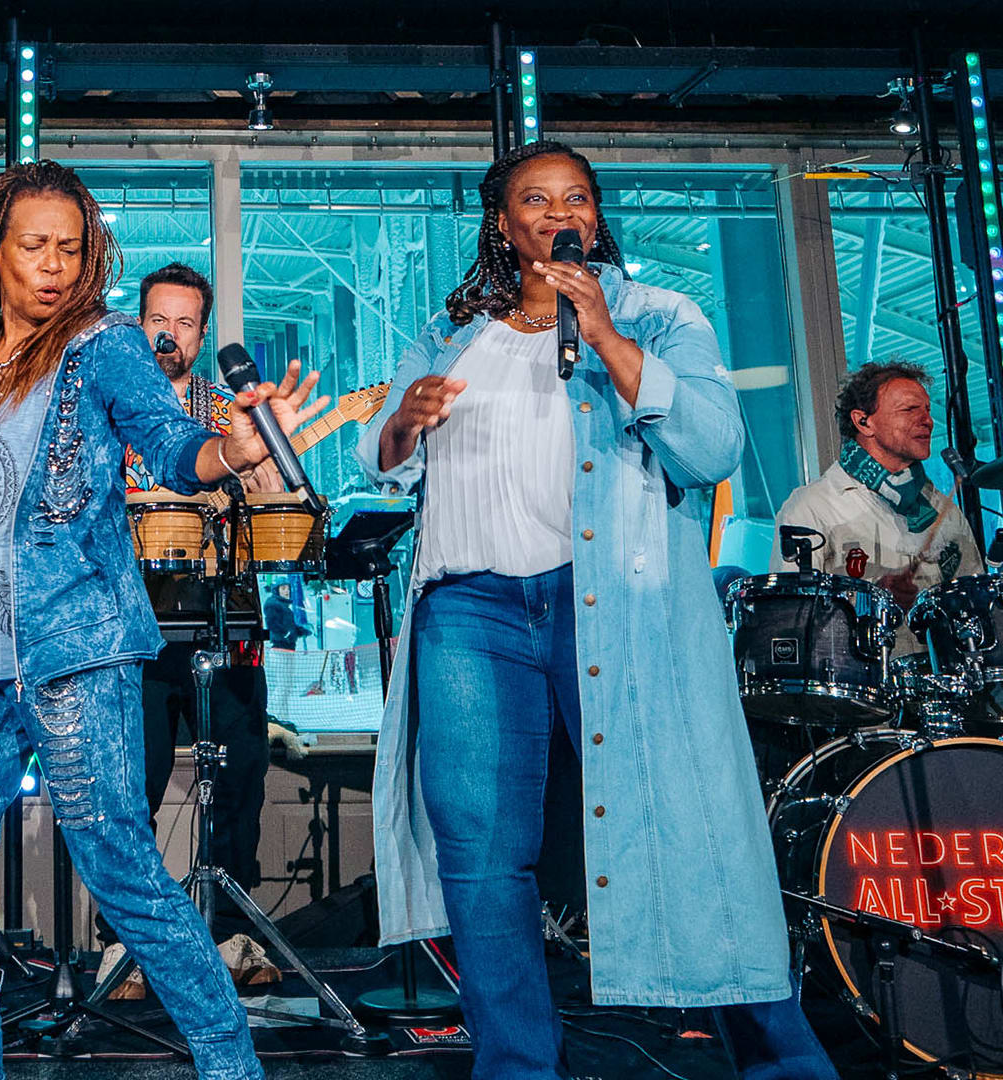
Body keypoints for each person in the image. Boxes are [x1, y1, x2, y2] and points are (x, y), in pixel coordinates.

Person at [0, 160, 325, 1080]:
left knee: (121, 871)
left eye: (70, 249)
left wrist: (229, 451)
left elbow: (171, 445)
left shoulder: (104, 346)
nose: (53, 265)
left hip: (76, 654)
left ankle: (229, 1063)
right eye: (34, 246)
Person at [357, 140, 837, 1080]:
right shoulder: (449, 332)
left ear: (594, 214)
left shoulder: (658, 315)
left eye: (575, 196)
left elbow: (713, 447)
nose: (557, 212)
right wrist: (404, 420)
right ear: (504, 224)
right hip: (470, 608)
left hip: (610, 604)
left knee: (685, 821)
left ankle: (781, 1060)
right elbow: (381, 458)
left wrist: (609, 337)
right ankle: (516, 1064)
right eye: (535, 199)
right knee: (480, 851)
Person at [99, 262, 279, 998]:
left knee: (239, 780)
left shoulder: (226, 409)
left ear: (202, 336)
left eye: (184, 322)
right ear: (137, 325)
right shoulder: (106, 408)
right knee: (128, 790)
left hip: (222, 621)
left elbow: (273, 500)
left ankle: (230, 935)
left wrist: (259, 471)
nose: (168, 333)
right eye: (157, 320)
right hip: (129, 631)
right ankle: (125, 945)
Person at [773, 362, 977, 648]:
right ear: (863, 422)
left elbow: (976, 602)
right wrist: (872, 602)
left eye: (928, 410)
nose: (928, 420)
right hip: (861, 675)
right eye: (909, 409)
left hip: (938, 676)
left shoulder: (944, 510)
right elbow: (791, 622)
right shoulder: (813, 506)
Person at [262, 584, 305, 650]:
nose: (287, 591)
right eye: (283, 588)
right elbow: (272, 624)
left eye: (288, 589)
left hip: (288, 645)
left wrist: (299, 631)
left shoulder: (284, 606)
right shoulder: (272, 604)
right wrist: (286, 634)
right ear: (276, 590)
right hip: (280, 645)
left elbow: (288, 624)